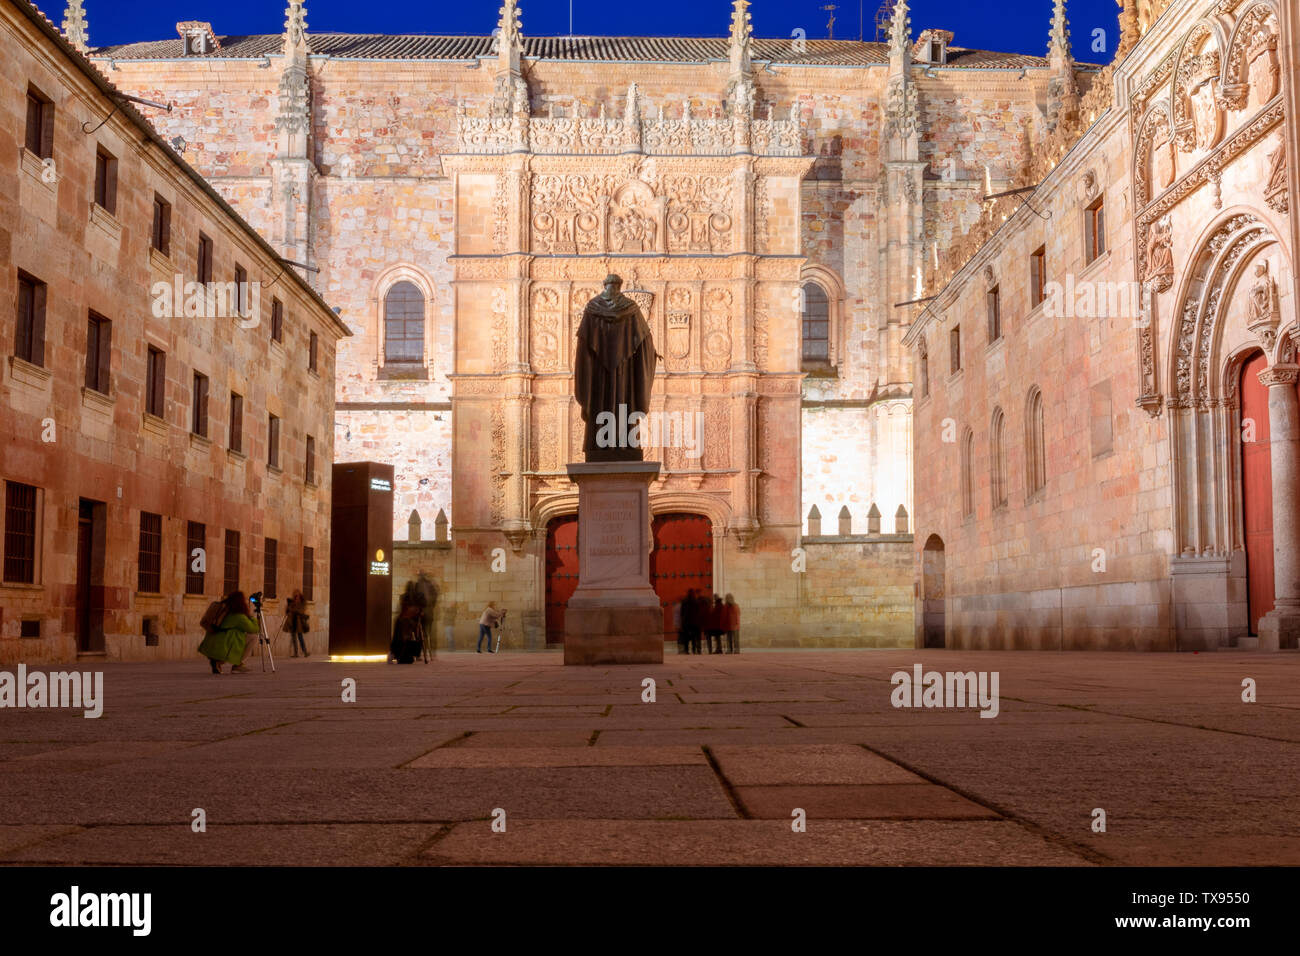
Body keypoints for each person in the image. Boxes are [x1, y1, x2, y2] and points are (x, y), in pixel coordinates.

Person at [198, 591, 260, 674]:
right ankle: (236, 664)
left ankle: (218, 662)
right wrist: (252, 618)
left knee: (235, 633)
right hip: (222, 648)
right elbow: (254, 629)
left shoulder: (221, 610)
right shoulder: (238, 616)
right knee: (253, 637)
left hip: (209, 647)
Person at [391, 589, 423, 664]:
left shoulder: (405, 619)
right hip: (401, 647)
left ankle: (400, 654)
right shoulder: (403, 620)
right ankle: (399, 654)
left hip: (402, 647)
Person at [283, 589, 309, 657]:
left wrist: (292, 608)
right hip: (292, 622)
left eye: (297, 596)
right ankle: (295, 653)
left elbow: (300, 611)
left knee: (300, 638)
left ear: (300, 596)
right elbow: (287, 612)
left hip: (299, 623)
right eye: (295, 596)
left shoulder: (302, 604)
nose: (296, 597)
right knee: (294, 638)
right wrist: (288, 606)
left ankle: (305, 652)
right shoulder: (292, 603)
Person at [681, 589, 700, 655]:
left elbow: (682, 612)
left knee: (686, 637)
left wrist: (683, 620)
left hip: (686, 621)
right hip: (694, 622)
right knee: (693, 637)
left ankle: (686, 650)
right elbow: (698, 612)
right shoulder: (696, 601)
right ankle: (693, 650)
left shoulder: (684, 601)